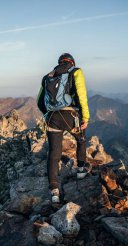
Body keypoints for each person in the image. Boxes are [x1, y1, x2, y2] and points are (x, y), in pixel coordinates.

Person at [37, 53, 90, 203]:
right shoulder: (76, 72)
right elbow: (82, 95)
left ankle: (54, 191)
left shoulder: (47, 77)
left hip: (52, 118)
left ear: (59, 63)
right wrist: (85, 117)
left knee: (54, 153)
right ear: (72, 62)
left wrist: (48, 114)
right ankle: (80, 170)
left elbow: (39, 101)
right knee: (81, 139)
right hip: (70, 116)